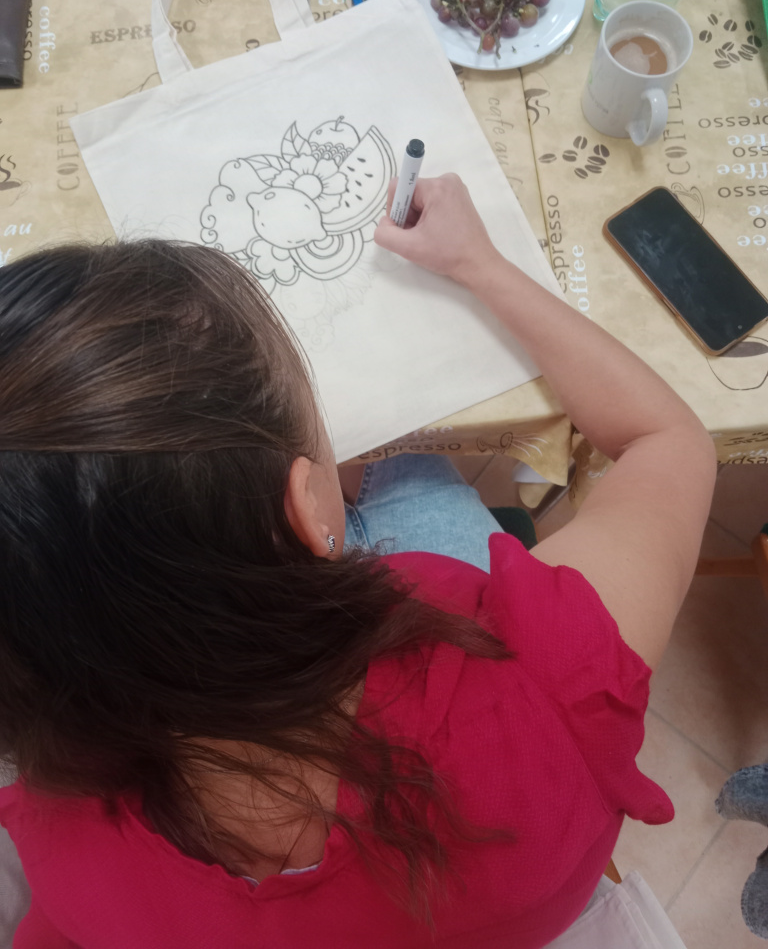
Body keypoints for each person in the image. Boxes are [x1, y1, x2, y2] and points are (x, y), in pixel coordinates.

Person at [0, 174, 716, 948]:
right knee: (411, 468)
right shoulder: (539, 683)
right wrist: (480, 264)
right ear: (306, 509)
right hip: (498, 832)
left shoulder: (60, 844)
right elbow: (664, 440)